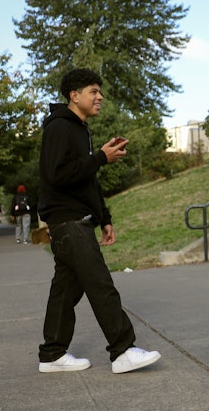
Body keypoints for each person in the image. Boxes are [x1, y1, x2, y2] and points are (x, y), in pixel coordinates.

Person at [37, 68, 161, 374]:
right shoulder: (59, 128)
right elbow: (58, 175)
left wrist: (104, 217)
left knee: (66, 291)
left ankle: (52, 354)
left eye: (99, 91)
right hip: (68, 221)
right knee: (100, 283)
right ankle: (122, 350)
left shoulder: (80, 129)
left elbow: (86, 179)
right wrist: (101, 158)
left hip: (77, 221)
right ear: (74, 95)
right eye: (93, 91)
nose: (100, 97)